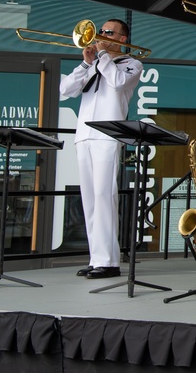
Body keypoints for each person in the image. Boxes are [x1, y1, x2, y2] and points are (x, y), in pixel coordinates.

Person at [59, 19, 142, 279]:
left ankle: (109, 261)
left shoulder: (132, 64)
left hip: (108, 135)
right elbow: (65, 91)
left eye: (108, 32)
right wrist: (86, 62)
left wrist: (103, 54)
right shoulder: (93, 64)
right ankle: (97, 258)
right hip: (84, 135)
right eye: (101, 32)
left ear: (123, 39)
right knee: (90, 200)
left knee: (105, 196)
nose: (101, 35)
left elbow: (117, 83)